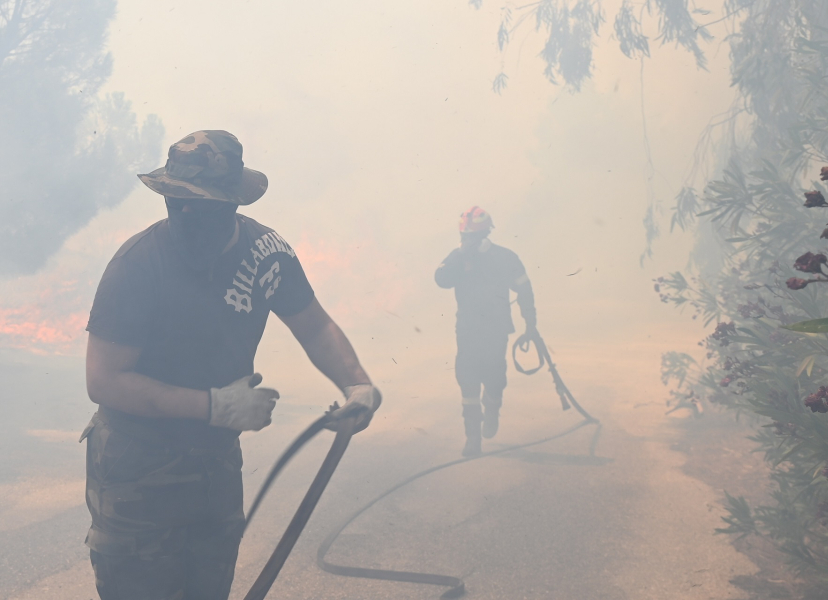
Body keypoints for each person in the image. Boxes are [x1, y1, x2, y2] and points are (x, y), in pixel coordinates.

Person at [80, 130, 380, 600]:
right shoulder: (138, 264)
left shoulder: (266, 253)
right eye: (174, 202)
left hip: (213, 468)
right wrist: (212, 406)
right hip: (135, 471)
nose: (183, 213)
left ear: (232, 204)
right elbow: (103, 380)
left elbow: (315, 326)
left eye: (198, 205)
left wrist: (357, 385)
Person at [434, 206, 536, 456]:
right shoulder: (457, 258)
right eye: (464, 237)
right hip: (468, 330)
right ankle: (472, 438)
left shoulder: (505, 257)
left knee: (494, 378)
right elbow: (442, 280)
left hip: (496, 329)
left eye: (472, 237)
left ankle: (492, 408)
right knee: (467, 381)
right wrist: (460, 256)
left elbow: (524, 290)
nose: (467, 242)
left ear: (485, 235)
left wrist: (530, 325)